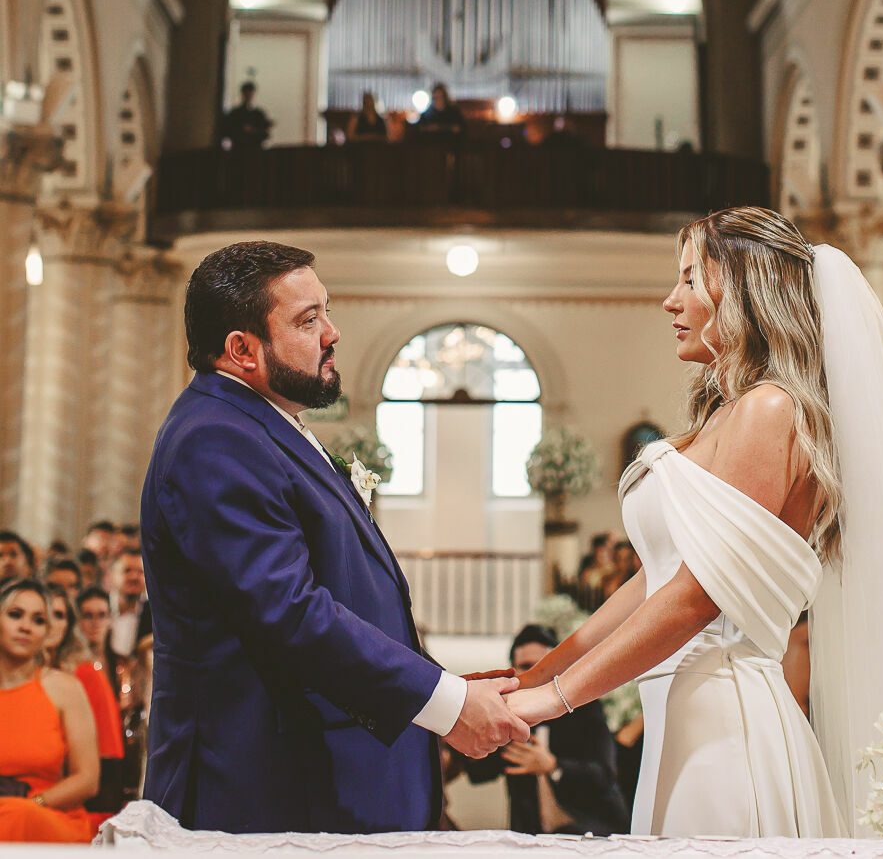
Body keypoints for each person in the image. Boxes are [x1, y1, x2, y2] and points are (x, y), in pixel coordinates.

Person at [506, 207, 883, 838]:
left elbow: (696, 598)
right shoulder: (723, 414)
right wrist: (538, 673)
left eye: (690, 279)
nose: (669, 300)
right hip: (682, 711)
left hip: (726, 720)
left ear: (742, 290)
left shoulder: (771, 409)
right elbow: (655, 580)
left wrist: (558, 698)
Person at [141, 240, 528, 834]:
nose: (332, 332)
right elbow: (290, 613)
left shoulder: (264, 423)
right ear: (242, 349)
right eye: (307, 319)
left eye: (325, 310)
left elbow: (348, 595)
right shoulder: (214, 439)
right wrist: (444, 704)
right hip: (262, 785)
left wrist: (437, 681)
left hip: (312, 776)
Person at [465, 624, 627, 835]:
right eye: (525, 666)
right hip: (530, 835)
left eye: (542, 666)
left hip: (592, 831)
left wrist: (553, 766)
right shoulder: (509, 714)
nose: (535, 674)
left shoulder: (585, 707)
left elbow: (605, 776)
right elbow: (478, 773)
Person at [0, 578, 99, 841]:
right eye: (15, 615)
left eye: (38, 620)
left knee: (18, 814)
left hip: (48, 813)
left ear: (47, 633)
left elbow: (88, 779)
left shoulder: (64, 688)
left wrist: (36, 803)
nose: (25, 627)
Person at [43, 585, 124, 819]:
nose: (48, 622)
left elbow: (110, 759)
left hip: (78, 808)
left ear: (69, 625)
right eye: (42, 614)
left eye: (58, 615)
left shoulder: (86, 674)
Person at [107, 548, 151, 660]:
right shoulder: (99, 607)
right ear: (112, 575)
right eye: (127, 571)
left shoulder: (156, 614)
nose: (134, 577)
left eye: (140, 572)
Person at [220, 81, 272, 151]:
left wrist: (252, 131)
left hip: (255, 150)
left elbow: (266, 134)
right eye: (246, 93)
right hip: (239, 150)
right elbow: (226, 132)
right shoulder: (234, 113)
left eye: (250, 93)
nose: (248, 95)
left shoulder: (258, 114)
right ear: (242, 94)